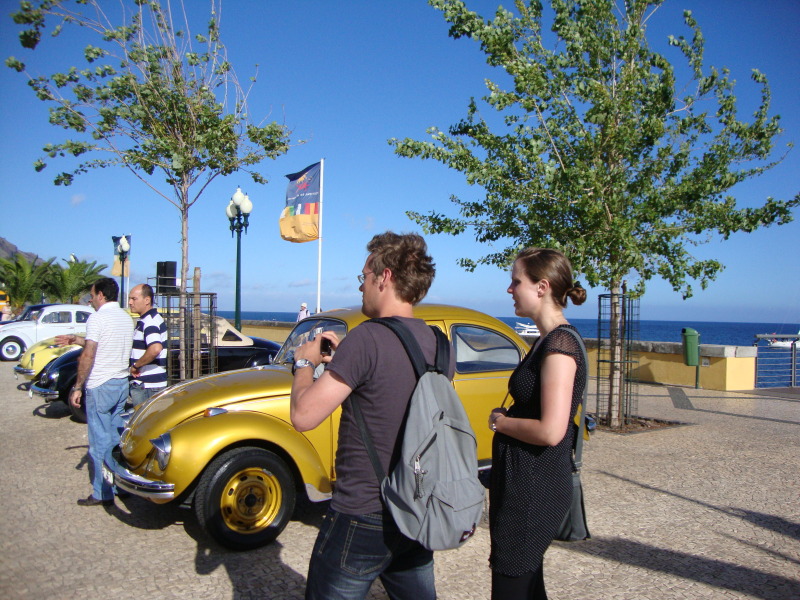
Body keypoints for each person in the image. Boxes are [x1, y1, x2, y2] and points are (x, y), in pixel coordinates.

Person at [290, 232, 447, 600]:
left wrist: (303, 363)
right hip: (415, 506)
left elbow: (303, 415)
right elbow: (393, 389)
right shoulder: (439, 344)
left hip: (363, 512)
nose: (360, 285)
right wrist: (349, 360)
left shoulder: (366, 339)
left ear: (385, 277)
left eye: (364, 276)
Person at [487, 247, 587, 600]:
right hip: (523, 483)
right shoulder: (547, 340)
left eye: (516, 281)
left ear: (542, 287)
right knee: (528, 587)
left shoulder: (559, 345)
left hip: (533, 489)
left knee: (512, 583)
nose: (510, 289)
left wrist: (500, 423)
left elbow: (550, 430)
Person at [57, 277, 134, 507]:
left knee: (99, 441)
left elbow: (90, 354)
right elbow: (106, 343)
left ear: (101, 295)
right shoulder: (125, 318)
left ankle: (102, 492)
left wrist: (78, 386)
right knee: (114, 438)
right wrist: (75, 339)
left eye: (91, 295)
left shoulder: (97, 318)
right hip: (121, 382)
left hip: (100, 385)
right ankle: (120, 486)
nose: (89, 299)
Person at [127, 283, 168, 407]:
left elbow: (155, 348)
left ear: (147, 300)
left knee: (144, 424)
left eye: (134, 299)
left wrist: (136, 366)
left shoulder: (150, 321)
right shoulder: (148, 319)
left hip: (147, 385)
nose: (130, 302)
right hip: (148, 384)